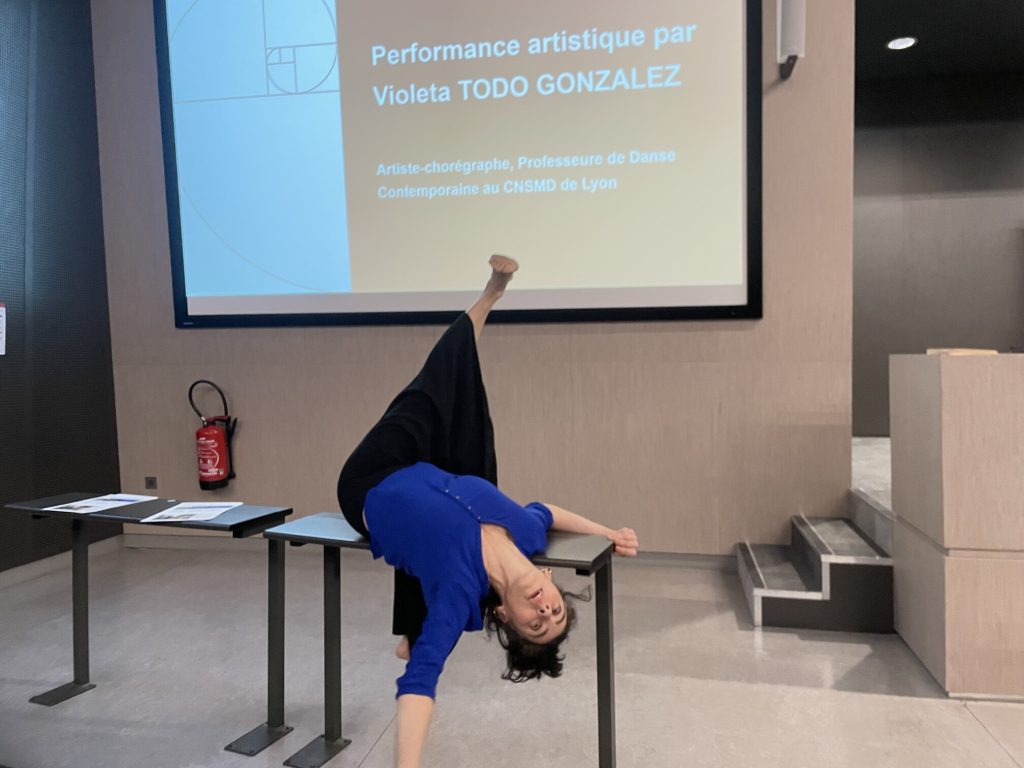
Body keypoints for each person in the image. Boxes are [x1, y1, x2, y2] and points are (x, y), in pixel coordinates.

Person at [337, 255, 639, 767]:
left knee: (430, 388)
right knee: (457, 398)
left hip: (370, 480)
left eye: (536, 624)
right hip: (433, 464)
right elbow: (548, 511)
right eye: (556, 611)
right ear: (550, 580)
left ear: (504, 615)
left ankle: (413, 630)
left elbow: (421, 682)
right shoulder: (527, 535)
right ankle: (492, 293)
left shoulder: (459, 593)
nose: (545, 611)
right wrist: (608, 530)